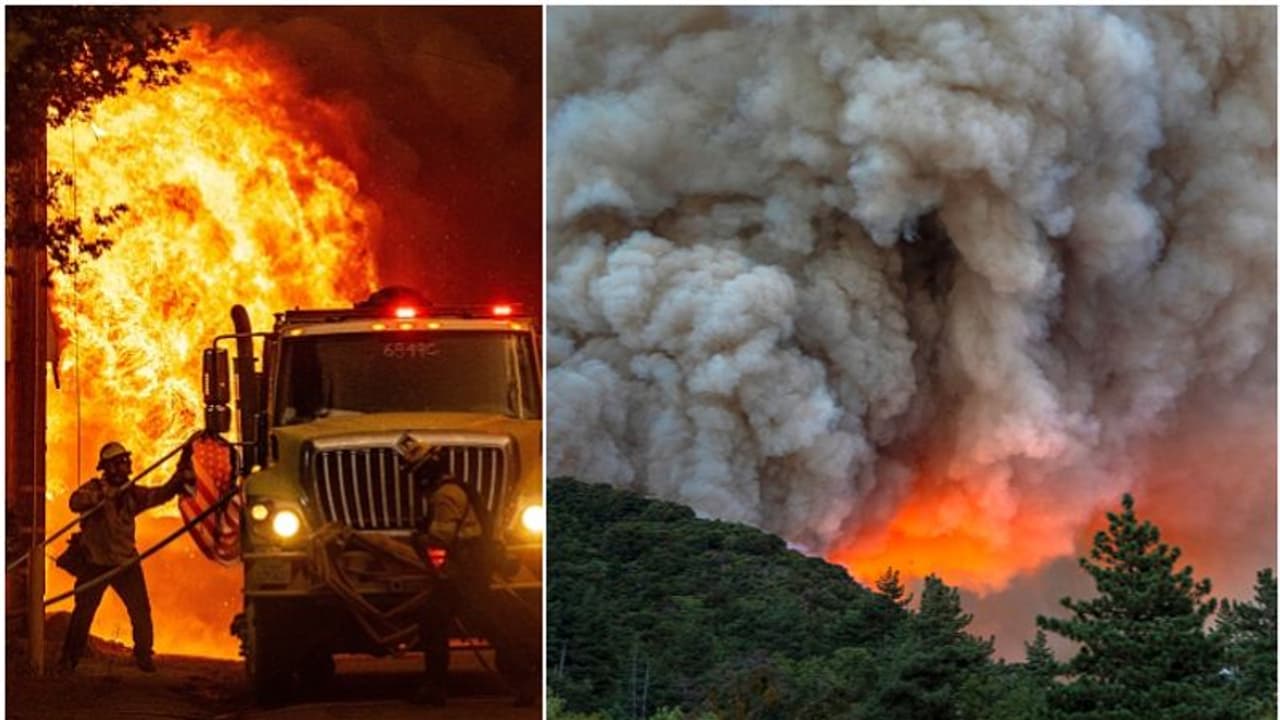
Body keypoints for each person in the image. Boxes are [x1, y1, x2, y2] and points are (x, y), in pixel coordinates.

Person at [408, 447, 537, 707]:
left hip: (464, 572)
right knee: (477, 622)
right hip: (471, 568)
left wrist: (418, 539)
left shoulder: (445, 495)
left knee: (439, 621)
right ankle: (523, 681)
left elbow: (441, 538)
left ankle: (436, 688)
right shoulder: (458, 489)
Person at [56, 441, 193, 673]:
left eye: (126, 461)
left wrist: (179, 476)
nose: (127, 465)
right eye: (121, 462)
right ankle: (69, 660)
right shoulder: (94, 488)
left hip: (125, 563)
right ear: (109, 467)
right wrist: (102, 496)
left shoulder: (132, 494)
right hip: (95, 563)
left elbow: (159, 495)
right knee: (83, 613)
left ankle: (143, 655)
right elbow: (74, 502)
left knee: (140, 610)